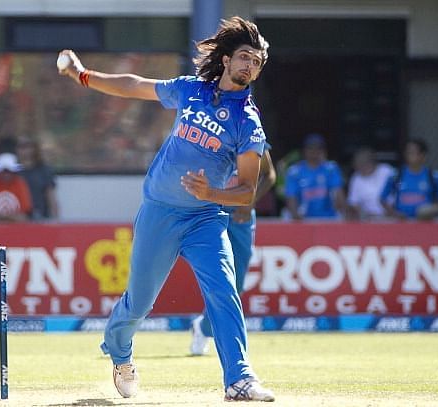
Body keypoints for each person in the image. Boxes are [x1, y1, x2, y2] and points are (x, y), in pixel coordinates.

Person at [58, 16, 275, 402]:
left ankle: (239, 379)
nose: (250, 66)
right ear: (225, 60)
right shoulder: (190, 90)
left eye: (257, 62)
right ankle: (120, 352)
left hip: (206, 219)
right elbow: (135, 85)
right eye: (244, 57)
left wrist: (212, 194)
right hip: (160, 213)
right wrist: (83, 76)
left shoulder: (248, 123)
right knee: (139, 302)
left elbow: (246, 192)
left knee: (224, 291)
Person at [190, 149, 276, 356]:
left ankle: (203, 328)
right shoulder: (208, 134)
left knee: (235, 283)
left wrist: (250, 202)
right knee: (218, 277)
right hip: (208, 209)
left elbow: (269, 175)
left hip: (240, 212)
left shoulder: (253, 136)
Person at [380, 138, 438, 220]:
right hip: (402, 223)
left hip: (425, 223)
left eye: (413, 152)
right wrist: (394, 213)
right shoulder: (396, 175)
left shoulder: (434, 176)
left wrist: (430, 211)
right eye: (408, 152)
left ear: (423, 155)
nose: (410, 155)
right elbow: (382, 198)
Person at [283, 133, 346, 219]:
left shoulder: (330, 169)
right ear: (304, 150)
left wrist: (343, 213)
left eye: (318, 148)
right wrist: (296, 217)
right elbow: (291, 196)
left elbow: (338, 193)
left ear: (323, 150)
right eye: (310, 148)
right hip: (303, 219)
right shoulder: (295, 171)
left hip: (328, 218)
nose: (314, 151)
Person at [16, 136, 59, 220]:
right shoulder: (11, 171)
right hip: (17, 219)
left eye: (28, 146)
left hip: (41, 217)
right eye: (21, 147)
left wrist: (56, 220)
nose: (25, 151)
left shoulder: (44, 170)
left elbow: (51, 196)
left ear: (35, 148)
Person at [346, 147, 394, 220]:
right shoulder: (356, 178)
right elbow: (353, 202)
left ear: (371, 163)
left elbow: (399, 193)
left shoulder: (387, 171)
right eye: (358, 166)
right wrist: (365, 214)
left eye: (362, 165)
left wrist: (391, 212)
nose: (359, 169)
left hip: (390, 215)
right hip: (369, 218)